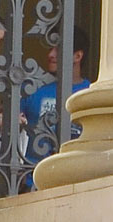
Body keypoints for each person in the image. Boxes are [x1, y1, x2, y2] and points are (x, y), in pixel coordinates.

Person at [21, 25, 92, 177]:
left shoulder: (91, 95)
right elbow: (8, 119)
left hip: (76, 179)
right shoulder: (36, 92)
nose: (51, 54)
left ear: (77, 56)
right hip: (33, 182)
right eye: (51, 49)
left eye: (58, 49)